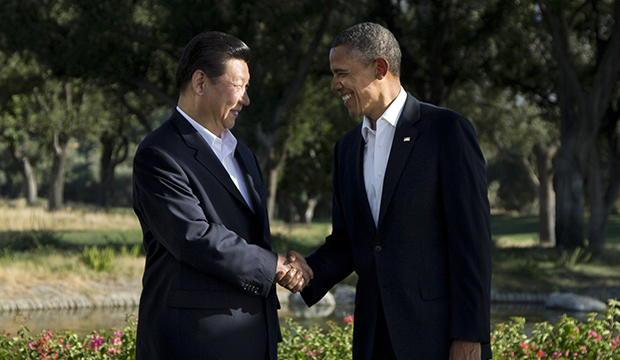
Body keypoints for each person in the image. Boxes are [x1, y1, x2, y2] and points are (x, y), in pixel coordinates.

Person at [298, 23, 492, 359]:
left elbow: (472, 242)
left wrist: (469, 335)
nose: (335, 85)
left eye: (342, 73)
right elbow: (349, 242)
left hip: (438, 337)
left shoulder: (446, 131)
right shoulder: (345, 149)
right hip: (373, 339)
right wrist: (305, 273)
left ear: (380, 68)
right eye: (333, 75)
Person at [132, 31, 312, 360]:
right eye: (239, 86)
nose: (245, 99)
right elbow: (193, 236)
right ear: (200, 82)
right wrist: (274, 266)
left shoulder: (243, 154)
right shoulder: (159, 154)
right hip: (194, 344)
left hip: (255, 338)